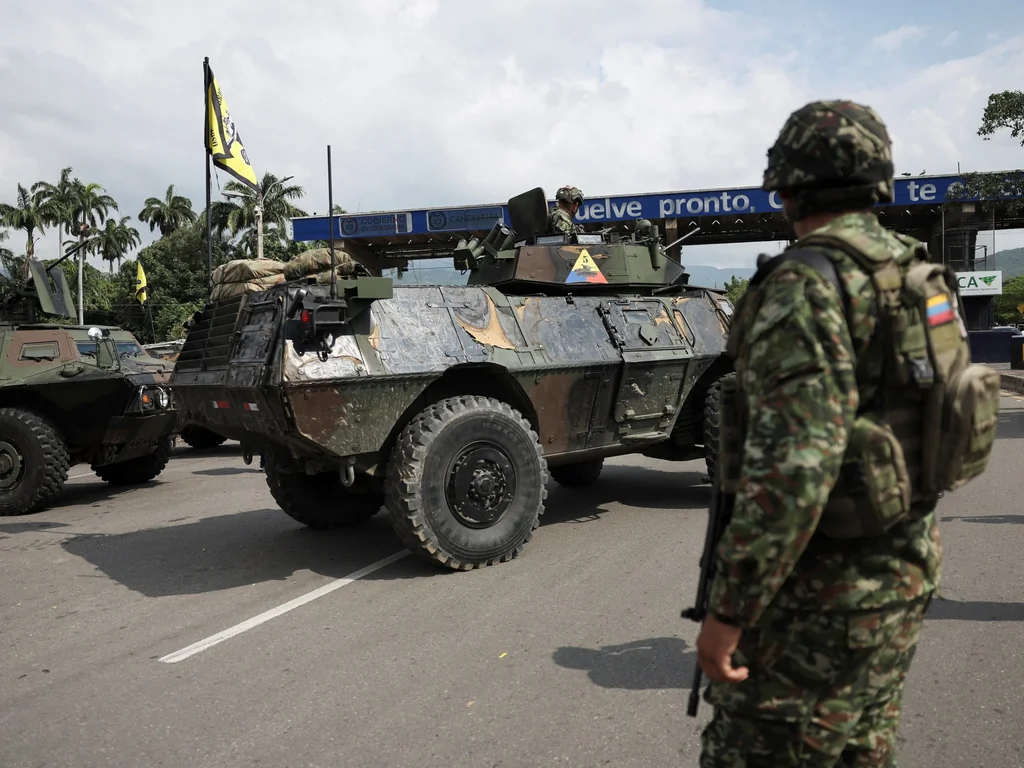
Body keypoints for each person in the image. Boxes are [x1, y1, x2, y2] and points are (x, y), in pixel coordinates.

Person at [695, 100, 949, 767]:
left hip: (818, 604)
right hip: (902, 571)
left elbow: (794, 471)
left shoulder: (805, 286)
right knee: (860, 749)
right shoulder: (917, 273)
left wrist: (729, 614)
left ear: (788, 184)